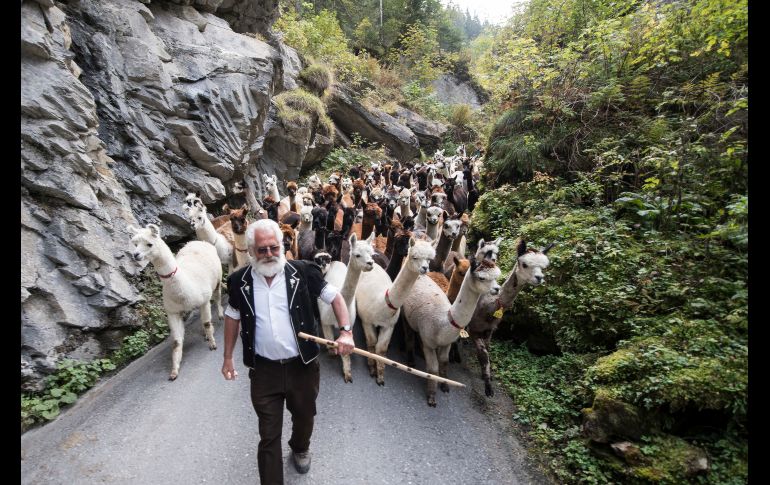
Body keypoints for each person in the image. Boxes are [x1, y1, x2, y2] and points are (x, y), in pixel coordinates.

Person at [221, 218, 355, 484]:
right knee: (268, 435)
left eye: (274, 247)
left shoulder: (304, 271)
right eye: (262, 249)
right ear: (250, 251)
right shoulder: (238, 281)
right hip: (263, 371)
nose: (269, 254)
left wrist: (346, 331)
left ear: (283, 246)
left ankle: (300, 446)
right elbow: (232, 316)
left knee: (305, 416)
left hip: (302, 366)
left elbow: (336, 298)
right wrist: (227, 358)